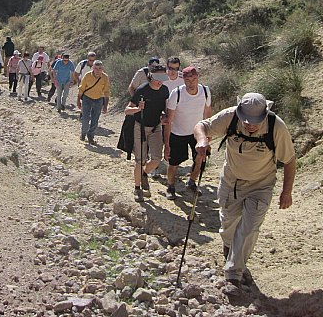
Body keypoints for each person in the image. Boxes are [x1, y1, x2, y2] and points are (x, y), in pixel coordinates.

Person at [194, 92, 296, 293]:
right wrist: (202, 140)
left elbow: (290, 160)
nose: (250, 125)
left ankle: (234, 273)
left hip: (261, 185)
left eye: (255, 121)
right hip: (231, 181)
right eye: (246, 121)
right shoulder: (231, 116)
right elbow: (202, 126)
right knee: (229, 223)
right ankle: (230, 249)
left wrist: (287, 192)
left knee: (249, 228)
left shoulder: (276, 126)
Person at [124, 64, 170, 202]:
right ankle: (137, 188)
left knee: (156, 159)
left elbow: (164, 109)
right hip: (140, 127)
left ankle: (144, 174)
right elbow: (127, 110)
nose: (159, 81)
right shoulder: (142, 90)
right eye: (157, 77)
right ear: (151, 76)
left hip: (156, 127)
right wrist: (138, 108)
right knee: (140, 160)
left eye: (162, 77)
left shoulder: (165, 91)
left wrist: (163, 116)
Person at [164, 66, 212, 200]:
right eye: (188, 80)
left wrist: (208, 135)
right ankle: (170, 186)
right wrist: (166, 144)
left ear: (198, 78)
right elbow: (169, 120)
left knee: (200, 159)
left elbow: (208, 113)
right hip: (178, 133)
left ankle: (191, 182)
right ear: (183, 80)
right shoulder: (176, 94)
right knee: (174, 163)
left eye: (194, 79)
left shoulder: (205, 91)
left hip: (197, 133)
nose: (191, 83)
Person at [77, 59, 110, 145]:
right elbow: (81, 88)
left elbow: (106, 92)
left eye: (100, 68)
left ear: (102, 69)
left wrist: (105, 106)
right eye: (96, 68)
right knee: (85, 118)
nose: (98, 70)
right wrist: (78, 101)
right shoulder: (87, 76)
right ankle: (83, 133)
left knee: (95, 120)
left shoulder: (105, 77)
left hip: (98, 100)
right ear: (92, 68)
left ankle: (90, 136)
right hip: (87, 99)